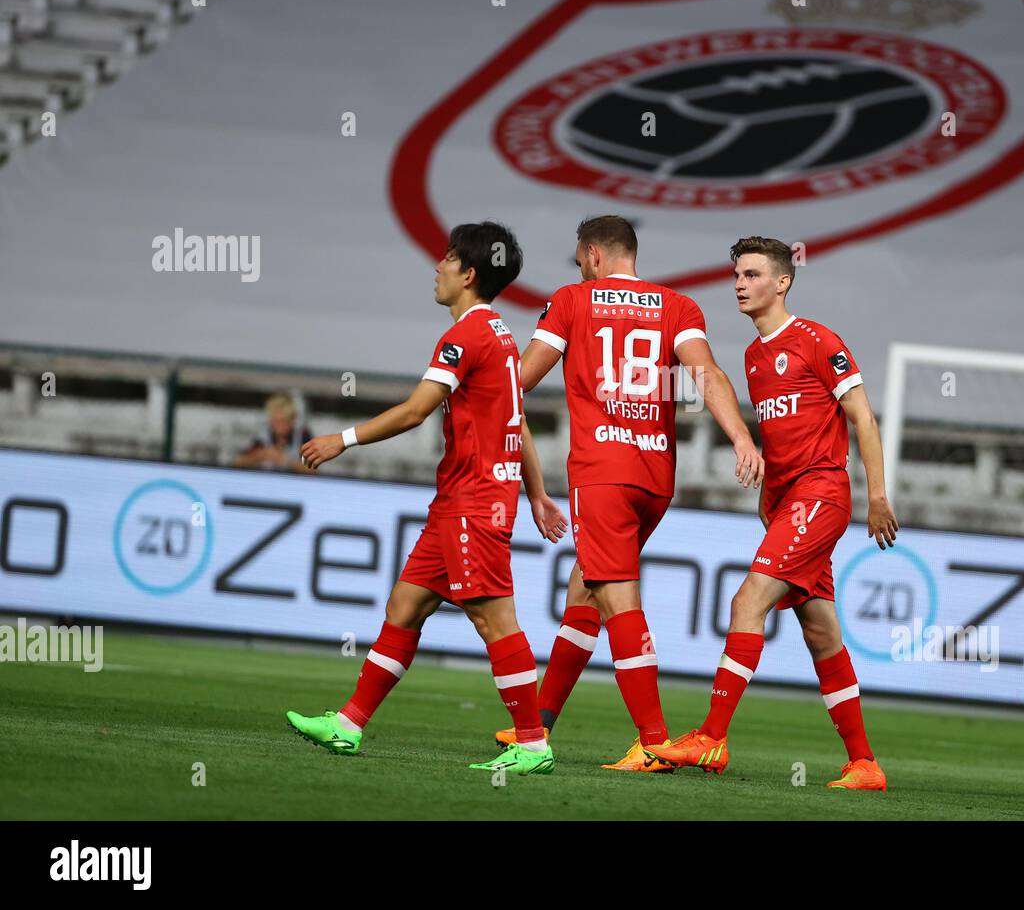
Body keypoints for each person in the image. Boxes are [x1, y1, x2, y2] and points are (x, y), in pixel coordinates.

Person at [284, 221, 569, 774]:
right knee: (405, 606)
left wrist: (340, 440)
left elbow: (415, 411)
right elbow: (519, 422)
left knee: (494, 620)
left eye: (445, 259)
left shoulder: (465, 337)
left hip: (474, 500)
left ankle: (533, 743)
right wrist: (536, 494)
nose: (435, 267)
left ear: (468, 273)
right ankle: (348, 726)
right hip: (460, 502)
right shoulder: (503, 336)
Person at [496, 215, 763, 771]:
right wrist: (741, 437)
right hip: (653, 480)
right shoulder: (677, 306)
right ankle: (538, 723)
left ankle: (654, 742)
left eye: (579, 260)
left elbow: (520, 380)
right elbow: (706, 373)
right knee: (586, 588)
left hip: (602, 473)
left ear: (593, 255)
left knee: (617, 597)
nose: (579, 269)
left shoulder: (572, 301)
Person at [646, 236, 899, 791]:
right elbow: (780, 441)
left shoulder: (816, 340)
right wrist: (769, 499)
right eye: (736, 274)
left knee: (747, 600)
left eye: (753, 274)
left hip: (824, 495)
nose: (740, 283)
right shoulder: (754, 358)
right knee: (820, 632)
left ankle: (712, 737)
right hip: (788, 504)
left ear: (782, 282)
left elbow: (863, 417)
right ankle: (865, 765)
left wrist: (877, 495)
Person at [234, 392, 316, 473]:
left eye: (283, 421)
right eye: (275, 421)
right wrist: (261, 455)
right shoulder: (263, 436)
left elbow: (313, 470)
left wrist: (285, 460)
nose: (278, 426)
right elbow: (238, 462)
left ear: (292, 420)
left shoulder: (302, 436)